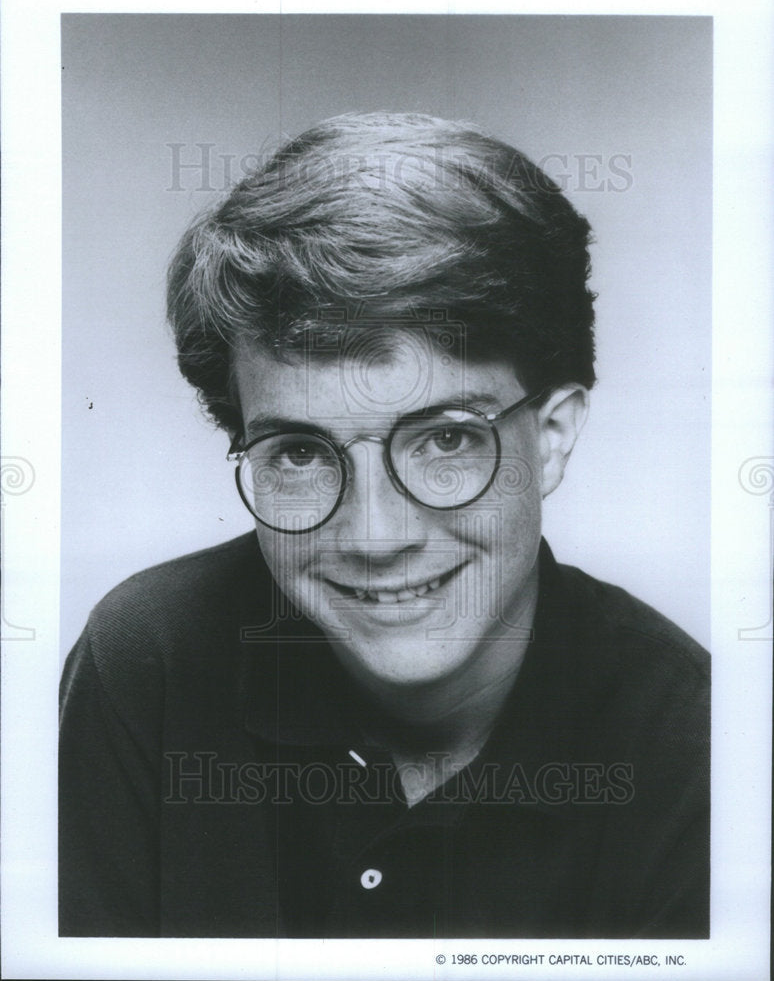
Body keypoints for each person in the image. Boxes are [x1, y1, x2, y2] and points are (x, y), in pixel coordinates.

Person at [59, 112, 709, 938]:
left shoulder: (697, 748)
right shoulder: (149, 662)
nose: (372, 534)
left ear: (550, 438)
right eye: (298, 453)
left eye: (444, 439)